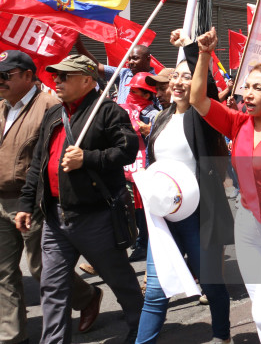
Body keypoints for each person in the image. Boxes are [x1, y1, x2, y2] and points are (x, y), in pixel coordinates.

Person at [189, 27, 261, 344]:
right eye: (247, 88)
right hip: (247, 224)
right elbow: (197, 98)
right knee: (260, 310)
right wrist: (204, 54)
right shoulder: (239, 122)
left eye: (258, 88)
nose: (248, 94)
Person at [14, 55, 142, 344]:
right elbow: (38, 163)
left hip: (96, 217)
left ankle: (141, 328)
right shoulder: (54, 114)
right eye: (56, 76)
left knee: (119, 278)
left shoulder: (109, 111)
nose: (56, 81)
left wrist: (89, 158)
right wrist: (26, 204)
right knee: (53, 287)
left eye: (64, 76)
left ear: (87, 80)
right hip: (55, 217)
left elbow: (127, 150)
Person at [135, 39, 234, 344]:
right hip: (163, 216)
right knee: (155, 289)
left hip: (198, 214)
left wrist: (193, 48)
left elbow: (207, 93)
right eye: (175, 76)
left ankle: (221, 335)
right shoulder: (162, 118)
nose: (178, 81)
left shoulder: (203, 116)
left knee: (211, 282)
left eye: (186, 76)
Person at [0, 51, 103, 343]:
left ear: (28, 76)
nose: (0, 81)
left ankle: (86, 296)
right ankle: (12, 336)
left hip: (34, 202)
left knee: (41, 267)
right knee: (3, 272)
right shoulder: (2, 108)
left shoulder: (51, 106)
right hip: (1, 200)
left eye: (6, 75)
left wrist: (34, 201)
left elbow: (54, 159)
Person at [120, 73, 160, 263]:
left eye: (134, 91)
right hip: (127, 168)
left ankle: (146, 244)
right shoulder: (124, 110)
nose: (130, 94)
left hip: (145, 169)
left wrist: (149, 130)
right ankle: (138, 240)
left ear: (146, 95)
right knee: (131, 209)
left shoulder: (153, 115)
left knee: (145, 210)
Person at [76, 40, 155, 105]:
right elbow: (96, 66)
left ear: (148, 59)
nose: (130, 62)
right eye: (129, 58)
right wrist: (78, 43)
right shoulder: (124, 73)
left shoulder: (156, 81)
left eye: (135, 58)